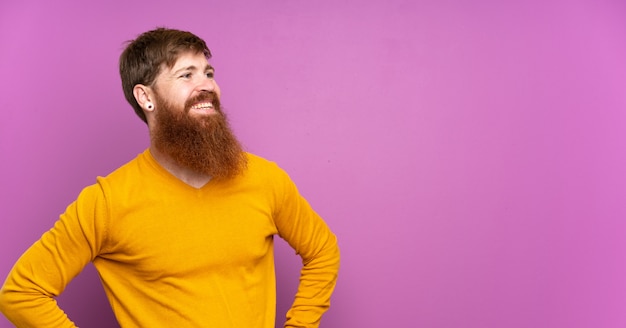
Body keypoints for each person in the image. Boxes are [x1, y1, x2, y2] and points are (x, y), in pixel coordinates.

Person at [0, 27, 340, 327]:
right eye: (186, 75)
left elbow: (323, 250)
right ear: (146, 97)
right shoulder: (107, 202)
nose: (207, 85)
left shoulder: (265, 179)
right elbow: (21, 293)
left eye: (208, 72)